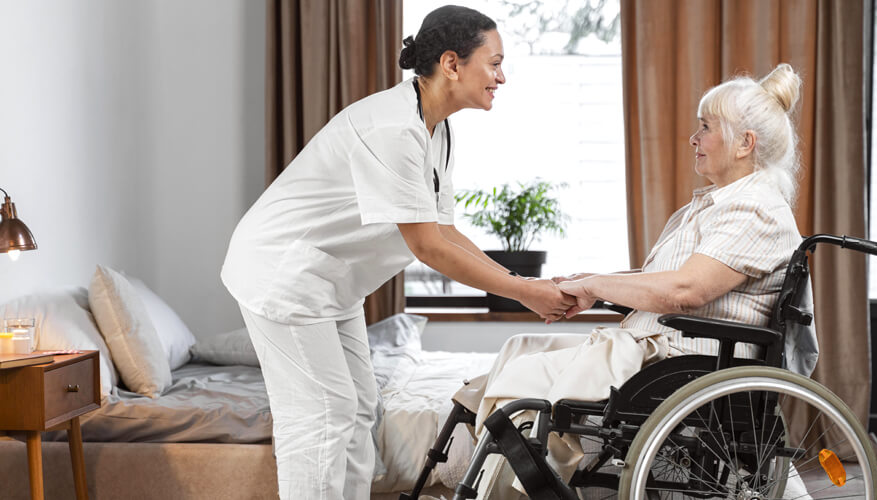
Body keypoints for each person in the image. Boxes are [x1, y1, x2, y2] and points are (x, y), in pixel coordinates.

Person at [220, 6, 575, 499]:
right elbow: (428, 247)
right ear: (452, 64)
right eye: (494, 63)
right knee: (324, 413)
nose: (502, 76)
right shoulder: (394, 129)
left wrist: (524, 285)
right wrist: (522, 292)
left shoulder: (436, 128)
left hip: (332, 281)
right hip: (284, 273)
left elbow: (446, 232)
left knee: (362, 405)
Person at [461, 63, 813, 498]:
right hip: (661, 348)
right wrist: (589, 280)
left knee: (521, 384)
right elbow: (660, 279)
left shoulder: (754, 210)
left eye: (705, 127)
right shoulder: (717, 205)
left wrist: (594, 287)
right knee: (519, 350)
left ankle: (515, 485)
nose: (694, 139)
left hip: (683, 359)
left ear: (745, 143)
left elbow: (686, 291)